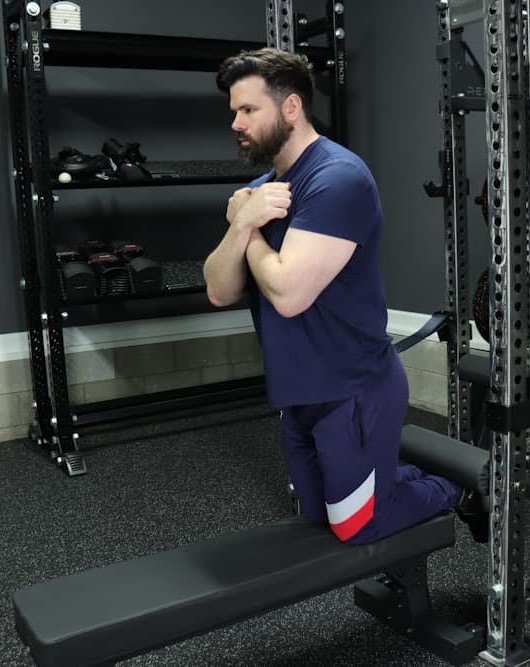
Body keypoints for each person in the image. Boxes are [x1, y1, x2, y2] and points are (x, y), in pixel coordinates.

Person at [203, 47, 486, 545]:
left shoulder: (337, 178)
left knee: (356, 526)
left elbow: (289, 294)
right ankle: (387, 481)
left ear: (291, 108)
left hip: (352, 390)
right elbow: (219, 289)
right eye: (234, 112)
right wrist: (242, 227)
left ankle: (458, 491)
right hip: (299, 392)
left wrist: (244, 228)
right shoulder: (261, 191)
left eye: (248, 110)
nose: (236, 123)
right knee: (319, 517)